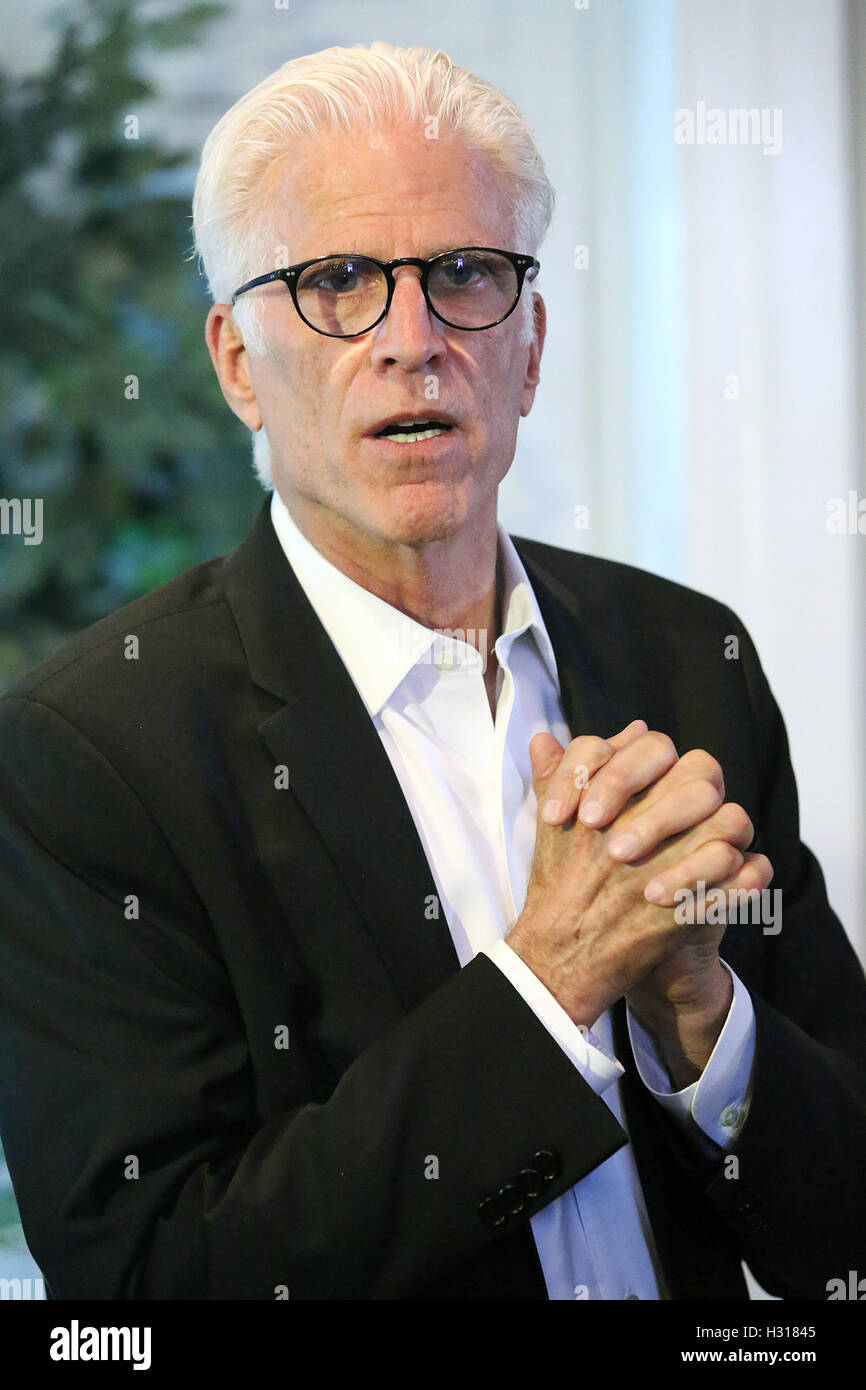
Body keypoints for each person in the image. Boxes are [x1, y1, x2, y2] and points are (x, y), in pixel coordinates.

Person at [0, 41, 863, 1301]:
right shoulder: (89, 752)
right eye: (338, 280)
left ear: (529, 342)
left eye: (465, 273)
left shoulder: (688, 654)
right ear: (237, 362)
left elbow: (841, 1225)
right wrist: (550, 980)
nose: (412, 340)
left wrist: (699, 1014)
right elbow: (152, 1278)